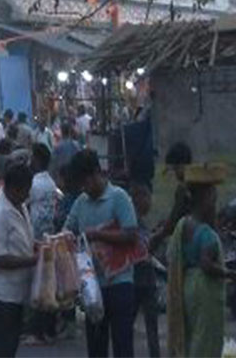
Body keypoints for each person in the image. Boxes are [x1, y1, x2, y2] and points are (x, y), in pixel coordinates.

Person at [64, 149, 140, 358]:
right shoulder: (81, 202)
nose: (85, 188)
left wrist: (98, 234)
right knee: (96, 346)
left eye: (86, 182)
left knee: (123, 345)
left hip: (120, 282)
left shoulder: (118, 197)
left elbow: (131, 235)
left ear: (97, 173)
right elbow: (68, 230)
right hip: (93, 286)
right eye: (81, 184)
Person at [165, 164, 227, 357]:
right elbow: (207, 265)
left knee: (191, 337)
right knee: (205, 341)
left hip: (187, 286)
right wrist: (230, 273)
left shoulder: (183, 225)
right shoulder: (206, 233)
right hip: (204, 289)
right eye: (214, 195)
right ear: (207, 197)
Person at [0, 160, 36, 358]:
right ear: (14, 188)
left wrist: (38, 245)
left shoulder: (20, 205)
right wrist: (33, 260)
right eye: (25, 190)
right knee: (2, 349)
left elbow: (22, 240)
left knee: (9, 348)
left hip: (15, 292)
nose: (28, 195)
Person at [130, 183, 162, 358]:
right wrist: (159, 234)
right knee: (149, 324)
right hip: (139, 276)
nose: (150, 202)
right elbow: (144, 247)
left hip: (143, 276)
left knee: (147, 324)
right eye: (147, 198)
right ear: (139, 199)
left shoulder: (139, 221)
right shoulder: (132, 220)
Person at [27, 143, 59, 237]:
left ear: (36, 160)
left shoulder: (33, 184)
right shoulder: (52, 183)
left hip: (34, 234)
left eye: (32, 157)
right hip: (49, 231)